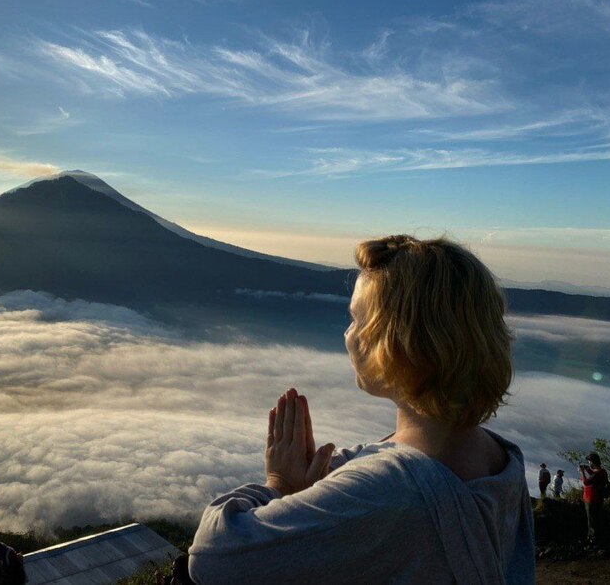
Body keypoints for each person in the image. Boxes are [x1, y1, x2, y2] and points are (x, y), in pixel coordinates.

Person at [188, 235, 535, 584]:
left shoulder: (390, 489)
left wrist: (278, 486)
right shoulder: (502, 459)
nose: (348, 335)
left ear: (398, 342)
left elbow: (211, 557)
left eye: (356, 319)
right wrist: (318, 487)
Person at [579, 452, 610, 545]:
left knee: (592, 521)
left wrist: (582, 472)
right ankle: (594, 539)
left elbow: (586, 482)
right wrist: (587, 470)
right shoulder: (602, 472)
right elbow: (594, 476)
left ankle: (593, 541)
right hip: (598, 499)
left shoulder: (597, 474)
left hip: (591, 499)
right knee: (596, 520)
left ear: (592, 462)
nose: (588, 463)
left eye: (589, 462)